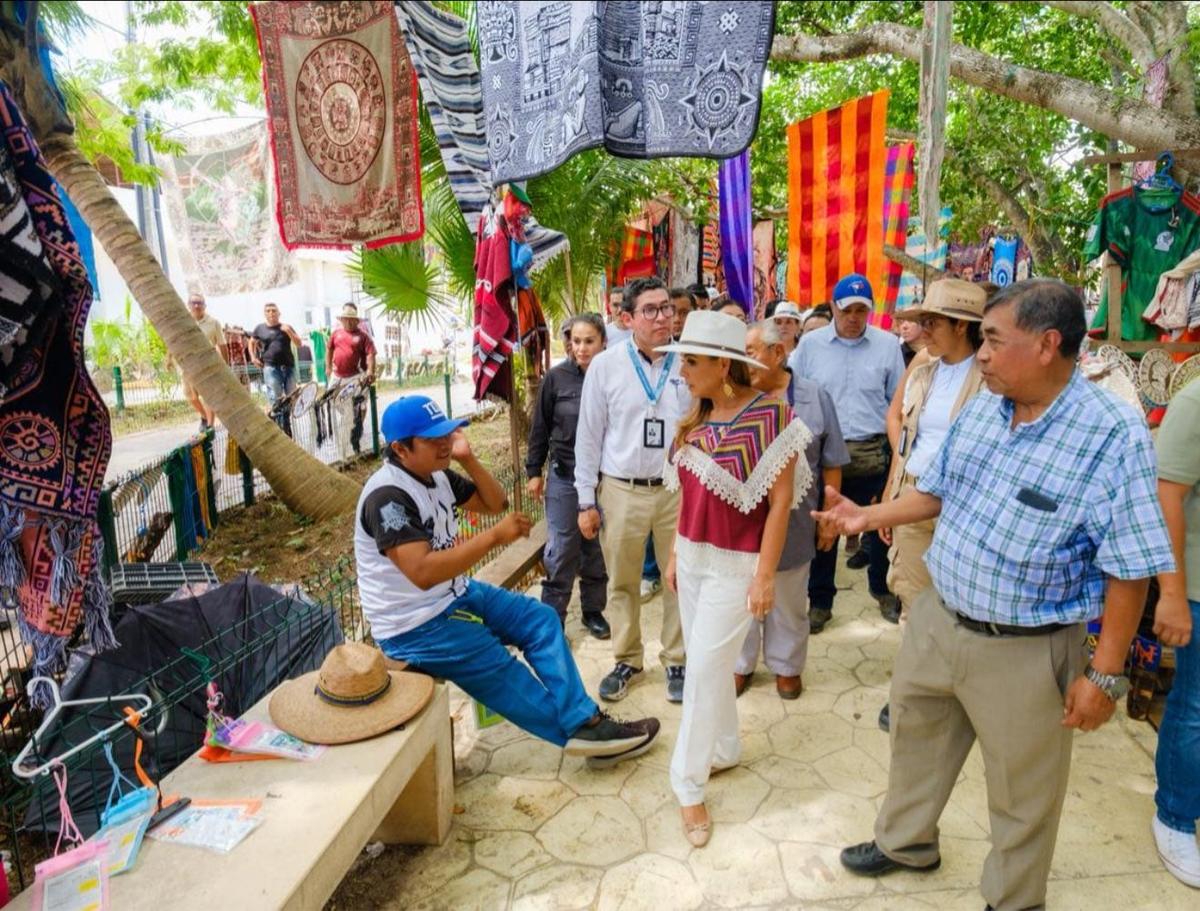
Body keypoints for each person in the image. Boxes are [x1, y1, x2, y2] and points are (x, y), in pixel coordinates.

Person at [815, 279, 1174, 911]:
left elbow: (1130, 566)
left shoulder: (1111, 432)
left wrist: (1104, 674)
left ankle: (1013, 899)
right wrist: (867, 517)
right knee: (915, 744)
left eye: (993, 340)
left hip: (1026, 650)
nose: (980, 353)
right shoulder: (986, 405)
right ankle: (906, 843)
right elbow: (938, 491)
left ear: (1047, 344)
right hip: (939, 618)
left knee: (1022, 792)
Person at [359, 395, 660, 766]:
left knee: (541, 618)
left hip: (454, 593)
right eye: (432, 439)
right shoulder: (387, 497)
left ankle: (582, 721)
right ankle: (587, 732)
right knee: (501, 668)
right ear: (400, 449)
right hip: (414, 625)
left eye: (446, 434)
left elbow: (494, 503)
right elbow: (422, 572)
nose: (444, 443)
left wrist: (468, 459)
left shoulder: (434, 475)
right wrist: (493, 538)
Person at [659, 310, 808, 846]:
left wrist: (764, 576)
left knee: (701, 670)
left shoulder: (773, 418)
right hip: (693, 558)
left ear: (723, 365)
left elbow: (781, 503)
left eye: (690, 362)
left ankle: (688, 782)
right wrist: (674, 552)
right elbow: (687, 496)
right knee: (713, 668)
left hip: (736, 564)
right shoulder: (693, 418)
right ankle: (723, 748)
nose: (682, 372)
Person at [875, 279, 988, 733]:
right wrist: (891, 494)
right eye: (921, 322)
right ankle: (911, 692)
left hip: (964, 507)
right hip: (913, 495)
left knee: (963, 608)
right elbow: (905, 433)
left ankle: (957, 694)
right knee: (914, 603)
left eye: (932, 322)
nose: (923, 331)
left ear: (961, 326)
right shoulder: (924, 367)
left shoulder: (991, 375)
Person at [576, 276, 691, 703]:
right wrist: (585, 500)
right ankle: (627, 659)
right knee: (623, 581)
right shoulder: (605, 366)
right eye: (651, 310)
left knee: (679, 577)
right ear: (627, 318)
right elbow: (589, 436)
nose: (663, 318)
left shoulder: (688, 362)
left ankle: (677, 659)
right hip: (621, 489)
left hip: (677, 488)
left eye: (667, 308)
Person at [736, 319, 848, 699]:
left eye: (750, 354)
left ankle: (786, 666)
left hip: (797, 521)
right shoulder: (733, 395)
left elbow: (831, 461)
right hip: (742, 521)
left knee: (788, 598)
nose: (742, 363)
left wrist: (829, 517)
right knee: (741, 597)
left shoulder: (815, 396)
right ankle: (740, 664)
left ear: (778, 352)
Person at [791, 274, 905, 632]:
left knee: (879, 525)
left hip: (872, 450)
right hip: (823, 454)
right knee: (824, 527)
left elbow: (897, 403)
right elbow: (794, 394)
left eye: (861, 311)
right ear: (833, 307)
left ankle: (882, 590)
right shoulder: (810, 346)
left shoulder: (888, 346)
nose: (853, 318)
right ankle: (820, 601)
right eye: (847, 310)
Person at [526, 314, 611, 641]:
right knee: (562, 549)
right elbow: (540, 426)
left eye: (589, 341)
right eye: (576, 341)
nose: (582, 348)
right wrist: (534, 471)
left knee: (595, 550)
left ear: (603, 342)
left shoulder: (612, 375)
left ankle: (593, 610)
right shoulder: (556, 378)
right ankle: (553, 619)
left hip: (604, 478)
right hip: (565, 476)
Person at [1151, 377, 1200, 887]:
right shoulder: (1195, 402)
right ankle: (1176, 817)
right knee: (1194, 707)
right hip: (1199, 587)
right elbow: (1167, 498)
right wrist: (1173, 593)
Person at [327, 303, 377, 455]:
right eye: (345, 319)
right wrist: (328, 367)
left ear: (356, 321)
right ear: (341, 320)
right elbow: (329, 349)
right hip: (337, 375)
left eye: (351, 319)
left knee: (360, 405)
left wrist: (370, 371)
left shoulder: (363, 336)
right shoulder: (336, 334)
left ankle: (356, 433)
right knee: (331, 401)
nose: (348, 322)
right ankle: (347, 421)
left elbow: (371, 355)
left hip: (356, 375)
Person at [249, 302, 303, 435]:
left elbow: (299, 343)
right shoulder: (260, 329)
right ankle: (280, 428)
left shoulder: (286, 327)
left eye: (274, 310)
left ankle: (286, 422)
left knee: (291, 397)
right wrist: (253, 357)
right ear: (265, 314)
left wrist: (289, 331)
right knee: (275, 398)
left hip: (288, 367)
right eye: (268, 311)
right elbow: (251, 341)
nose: (271, 313)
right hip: (271, 368)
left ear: (279, 313)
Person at [178, 294, 228, 431]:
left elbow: (222, 344)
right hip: (188, 366)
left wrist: (225, 364)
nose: (196, 306)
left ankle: (210, 427)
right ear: (188, 305)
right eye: (193, 303)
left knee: (208, 396)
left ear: (204, 305)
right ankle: (204, 417)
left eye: (199, 303)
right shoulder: (182, 322)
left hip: (207, 365)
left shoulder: (213, 322)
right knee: (191, 396)